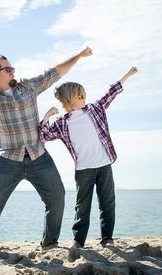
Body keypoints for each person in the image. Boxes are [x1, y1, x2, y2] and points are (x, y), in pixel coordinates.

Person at [0, 47, 93, 252]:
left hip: (39, 156)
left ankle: (50, 244)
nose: (13, 71)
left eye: (13, 68)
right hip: (7, 159)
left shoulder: (28, 87)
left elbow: (56, 72)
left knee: (57, 197)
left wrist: (78, 56)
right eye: (8, 69)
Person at [38, 66, 138, 248]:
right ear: (70, 99)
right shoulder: (62, 123)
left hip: (105, 165)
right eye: (80, 96)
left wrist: (128, 74)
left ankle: (107, 238)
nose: (84, 98)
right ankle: (78, 240)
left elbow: (111, 92)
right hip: (83, 170)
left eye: (84, 95)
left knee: (108, 202)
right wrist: (46, 117)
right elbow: (43, 135)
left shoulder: (95, 109)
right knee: (82, 207)